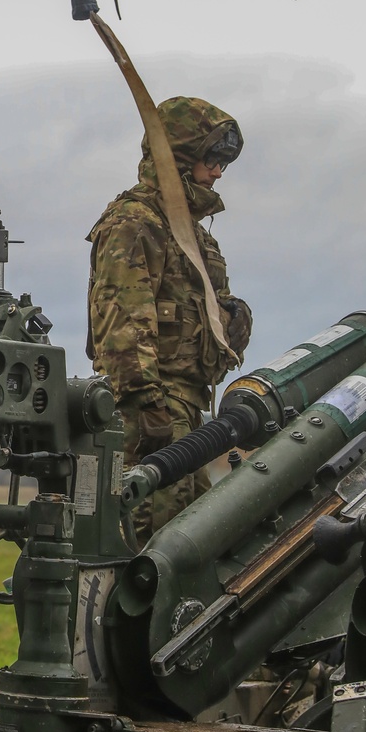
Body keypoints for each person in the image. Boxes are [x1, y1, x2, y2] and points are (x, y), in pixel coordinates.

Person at [86, 96, 253, 545]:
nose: (218, 172)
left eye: (223, 162)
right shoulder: (134, 222)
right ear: (178, 156)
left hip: (188, 409)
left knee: (193, 539)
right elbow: (121, 319)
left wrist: (235, 318)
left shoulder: (194, 234)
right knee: (150, 543)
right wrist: (146, 404)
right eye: (212, 159)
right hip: (151, 415)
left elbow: (209, 309)